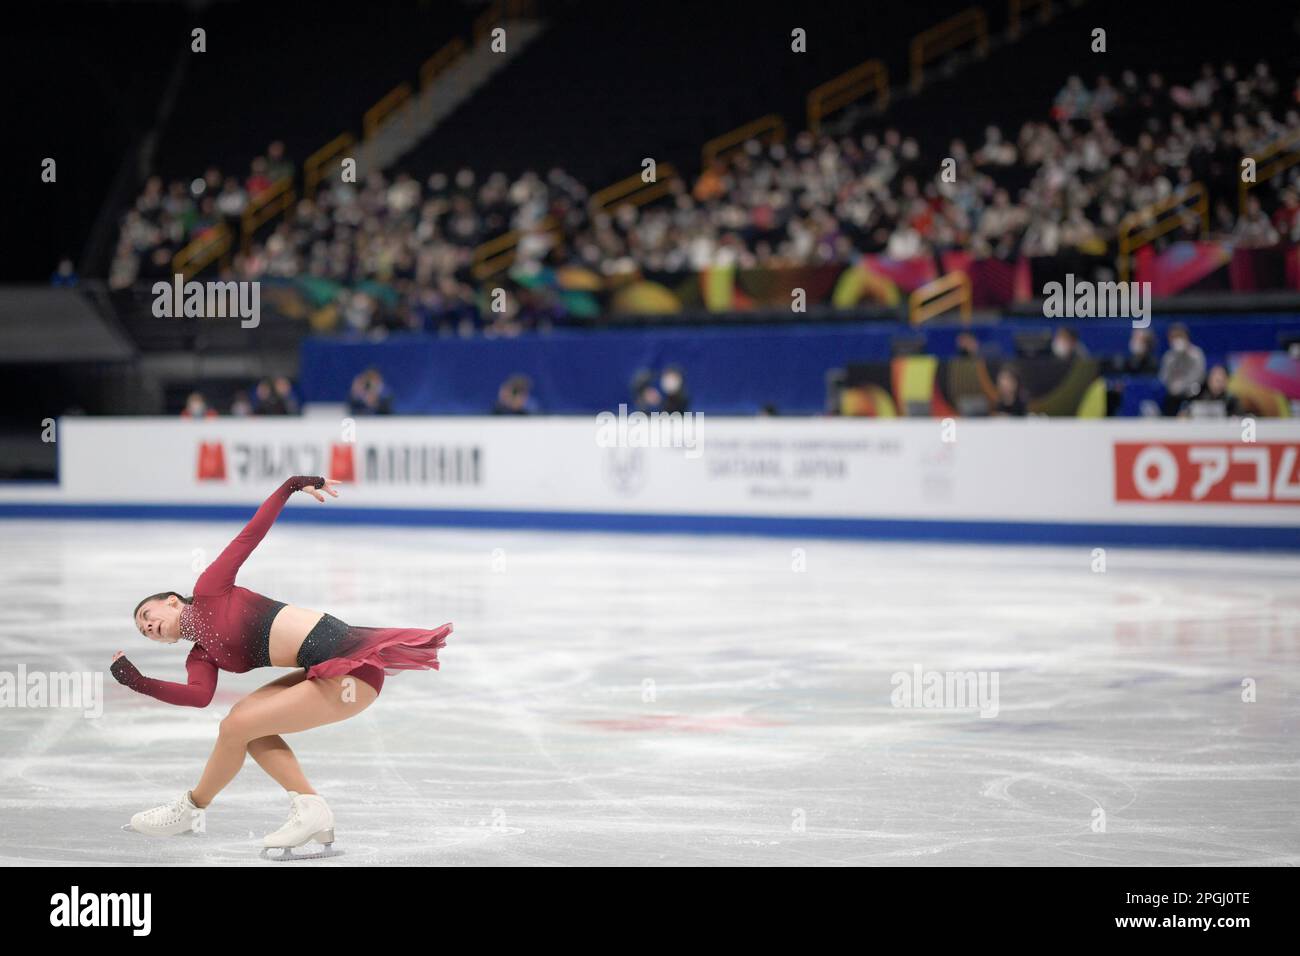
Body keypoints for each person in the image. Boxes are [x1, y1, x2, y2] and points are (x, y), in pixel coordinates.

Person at [111, 477, 453, 856]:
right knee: (246, 724)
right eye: (145, 632)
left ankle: (191, 809)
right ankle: (309, 808)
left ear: (172, 601)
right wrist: (139, 682)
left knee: (236, 725)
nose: (147, 626)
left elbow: (250, 535)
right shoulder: (201, 654)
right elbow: (198, 697)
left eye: (147, 614)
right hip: (326, 672)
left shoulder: (210, 589)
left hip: (351, 668)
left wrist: (289, 487)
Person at [1158, 323, 1206, 416]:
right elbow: (1163, 377)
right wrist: (1175, 358)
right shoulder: (1169, 357)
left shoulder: (1196, 354)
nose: (1177, 340)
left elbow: (1199, 376)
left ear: (1186, 337)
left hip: (1192, 393)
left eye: (1179, 336)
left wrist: (1182, 386)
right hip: (1173, 395)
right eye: (1173, 338)